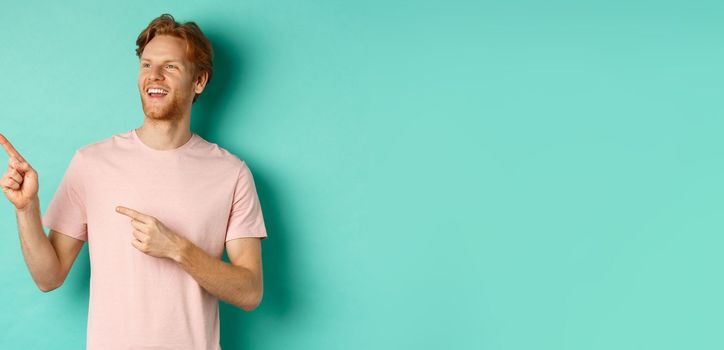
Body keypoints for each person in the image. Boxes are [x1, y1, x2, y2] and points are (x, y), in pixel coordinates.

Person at [0, 13, 267, 350]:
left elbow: (250, 291)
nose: (153, 76)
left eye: (170, 66)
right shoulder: (91, 163)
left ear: (199, 81)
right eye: (146, 65)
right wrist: (26, 209)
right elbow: (47, 277)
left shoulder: (231, 173)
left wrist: (176, 249)